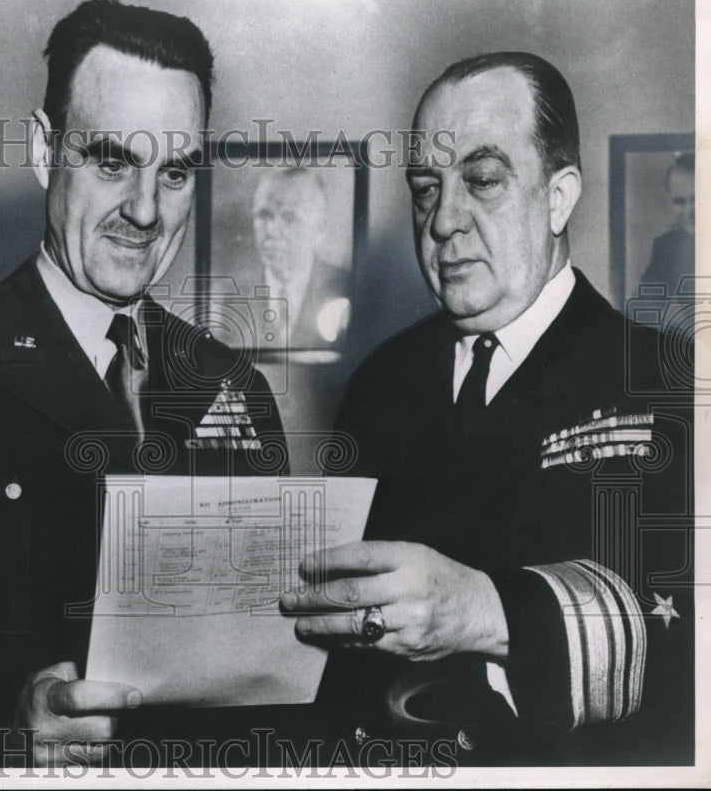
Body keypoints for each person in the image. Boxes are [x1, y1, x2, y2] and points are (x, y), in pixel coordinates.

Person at [0, 0, 286, 768]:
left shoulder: (231, 387)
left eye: (175, 172)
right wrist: (4, 723)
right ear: (45, 151)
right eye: (112, 161)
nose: (145, 210)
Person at [283, 52, 693, 766]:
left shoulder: (669, 382)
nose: (444, 221)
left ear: (559, 196)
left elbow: (691, 644)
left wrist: (489, 611)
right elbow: (331, 662)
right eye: (424, 189)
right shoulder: (381, 383)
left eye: (482, 181)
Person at [251, 167, 350, 348]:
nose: (271, 231)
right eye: (264, 215)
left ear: (319, 227)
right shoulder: (224, 297)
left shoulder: (347, 289)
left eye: (289, 217)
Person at [640, 151, 695, 293]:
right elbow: (645, 306)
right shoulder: (666, 247)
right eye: (679, 202)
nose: (689, 212)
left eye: (696, 199)